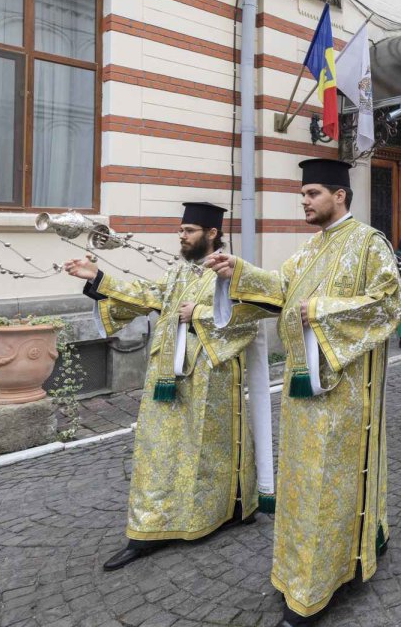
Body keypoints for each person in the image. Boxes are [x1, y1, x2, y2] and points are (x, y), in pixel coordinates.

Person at [204, 159, 401, 625]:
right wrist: (239, 271)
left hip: (344, 393)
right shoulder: (308, 249)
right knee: (301, 482)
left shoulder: (370, 244)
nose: (305, 201)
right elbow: (280, 289)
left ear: (340, 195)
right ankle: (300, 570)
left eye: (312, 193)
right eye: (303, 194)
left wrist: (323, 311)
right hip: (300, 391)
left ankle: (323, 580)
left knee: (329, 481)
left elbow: (387, 304)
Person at [64, 203, 266, 571]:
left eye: (189, 230)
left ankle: (230, 508)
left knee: (206, 452)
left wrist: (201, 315)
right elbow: (149, 295)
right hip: (165, 379)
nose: (181, 236)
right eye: (181, 230)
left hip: (211, 381)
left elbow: (252, 317)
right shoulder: (178, 272)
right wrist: (98, 278)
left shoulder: (229, 272)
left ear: (211, 234)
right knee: (157, 450)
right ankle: (147, 530)